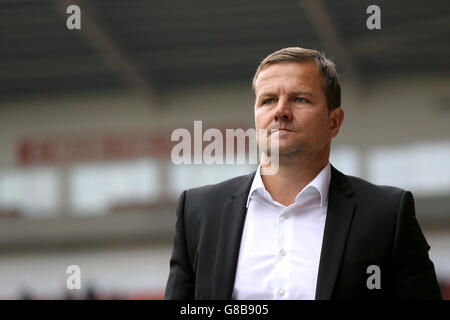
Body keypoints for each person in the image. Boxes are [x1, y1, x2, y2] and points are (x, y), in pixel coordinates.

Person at [164, 47, 442, 300]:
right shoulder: (198, 212)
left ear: (334, 122)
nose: (280, 112)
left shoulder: (387, 214)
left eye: (300, 99)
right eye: (268, 100)